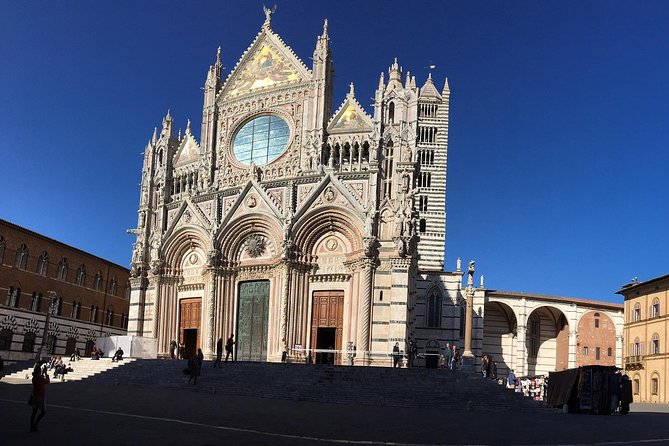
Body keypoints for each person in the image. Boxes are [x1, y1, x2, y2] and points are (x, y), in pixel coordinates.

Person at [30, 364, 50, 432]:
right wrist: (46, 373)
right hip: (40, 396)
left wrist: (42, 373)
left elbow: (40, 378)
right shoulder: (40, 378)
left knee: (34, 412)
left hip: (34, 396)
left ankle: (31, 426)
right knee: (43, 412)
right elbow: (47, 381)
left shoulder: (34, 378)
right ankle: (35, 425)